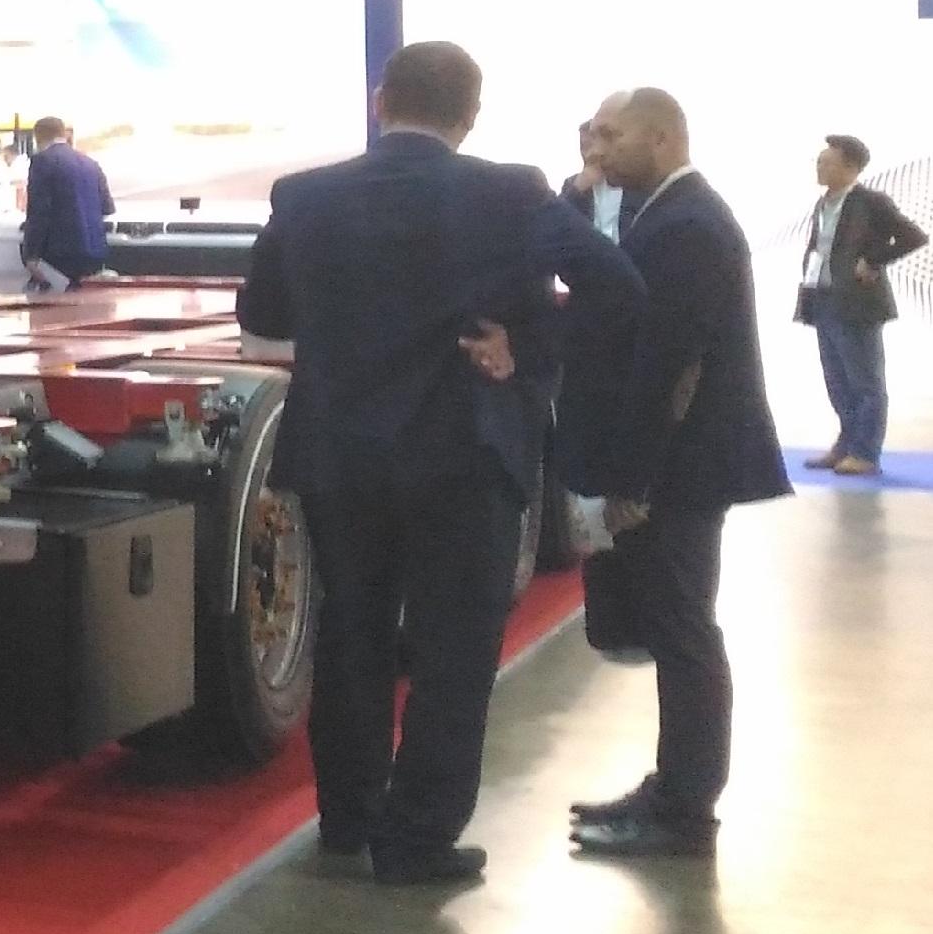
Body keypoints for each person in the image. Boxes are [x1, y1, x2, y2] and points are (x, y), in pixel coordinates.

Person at [238, 43, 643, 887]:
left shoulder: (304, 197)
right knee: (454, 652)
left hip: (340, 456)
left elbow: (264, 313)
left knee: (351, 638)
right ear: (471, 115)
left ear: (380, 99)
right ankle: (419, 838)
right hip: (465, 453)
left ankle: (347, 818)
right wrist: (525, 342)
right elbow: (617, 287)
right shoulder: (511, 193)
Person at [565, 88, 790, 861]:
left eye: (613, 135)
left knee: (685, 631)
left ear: (660, 138)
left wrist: (634, 482)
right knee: (676, 626)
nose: (599, 150)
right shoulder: (663, 214)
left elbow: (673, 368)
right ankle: (674, 788)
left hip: (680, 470)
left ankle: (686, 808)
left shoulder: (687, 225)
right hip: (678, 465)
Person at [795, 133, 924, 477]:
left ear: (851, 168)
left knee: (865, 381)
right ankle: (847, 443)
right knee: (837, 380)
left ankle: (865, 452)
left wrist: (873, 260)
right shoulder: (823, 204)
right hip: (824, 298)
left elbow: (913, 236)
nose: (820, 167)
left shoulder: (871, 202)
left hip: (858, 303)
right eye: (819, 161)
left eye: (827, 162)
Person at [20, 116, 115, 291]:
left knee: (55, 305)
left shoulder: (42, 161)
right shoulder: (91, 163)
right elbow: (107, 207)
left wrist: (30, 255)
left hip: (58, 255)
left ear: (37, 136)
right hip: (95, 251)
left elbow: (39, 211)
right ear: (63, 133)